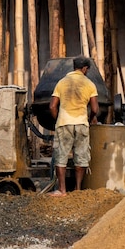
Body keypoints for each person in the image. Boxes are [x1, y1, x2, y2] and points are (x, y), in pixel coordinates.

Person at [49, 56, 99, 196]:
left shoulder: (62, 82)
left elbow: (53, 106)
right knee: (81, 157)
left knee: (61, 157)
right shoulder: (89, 84)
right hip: (81, 123)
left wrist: (58, 119)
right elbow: (95, 109)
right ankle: (77, 189)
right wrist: (90, 119)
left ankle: (62, 190)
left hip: (64, 122)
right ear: (84, 69)